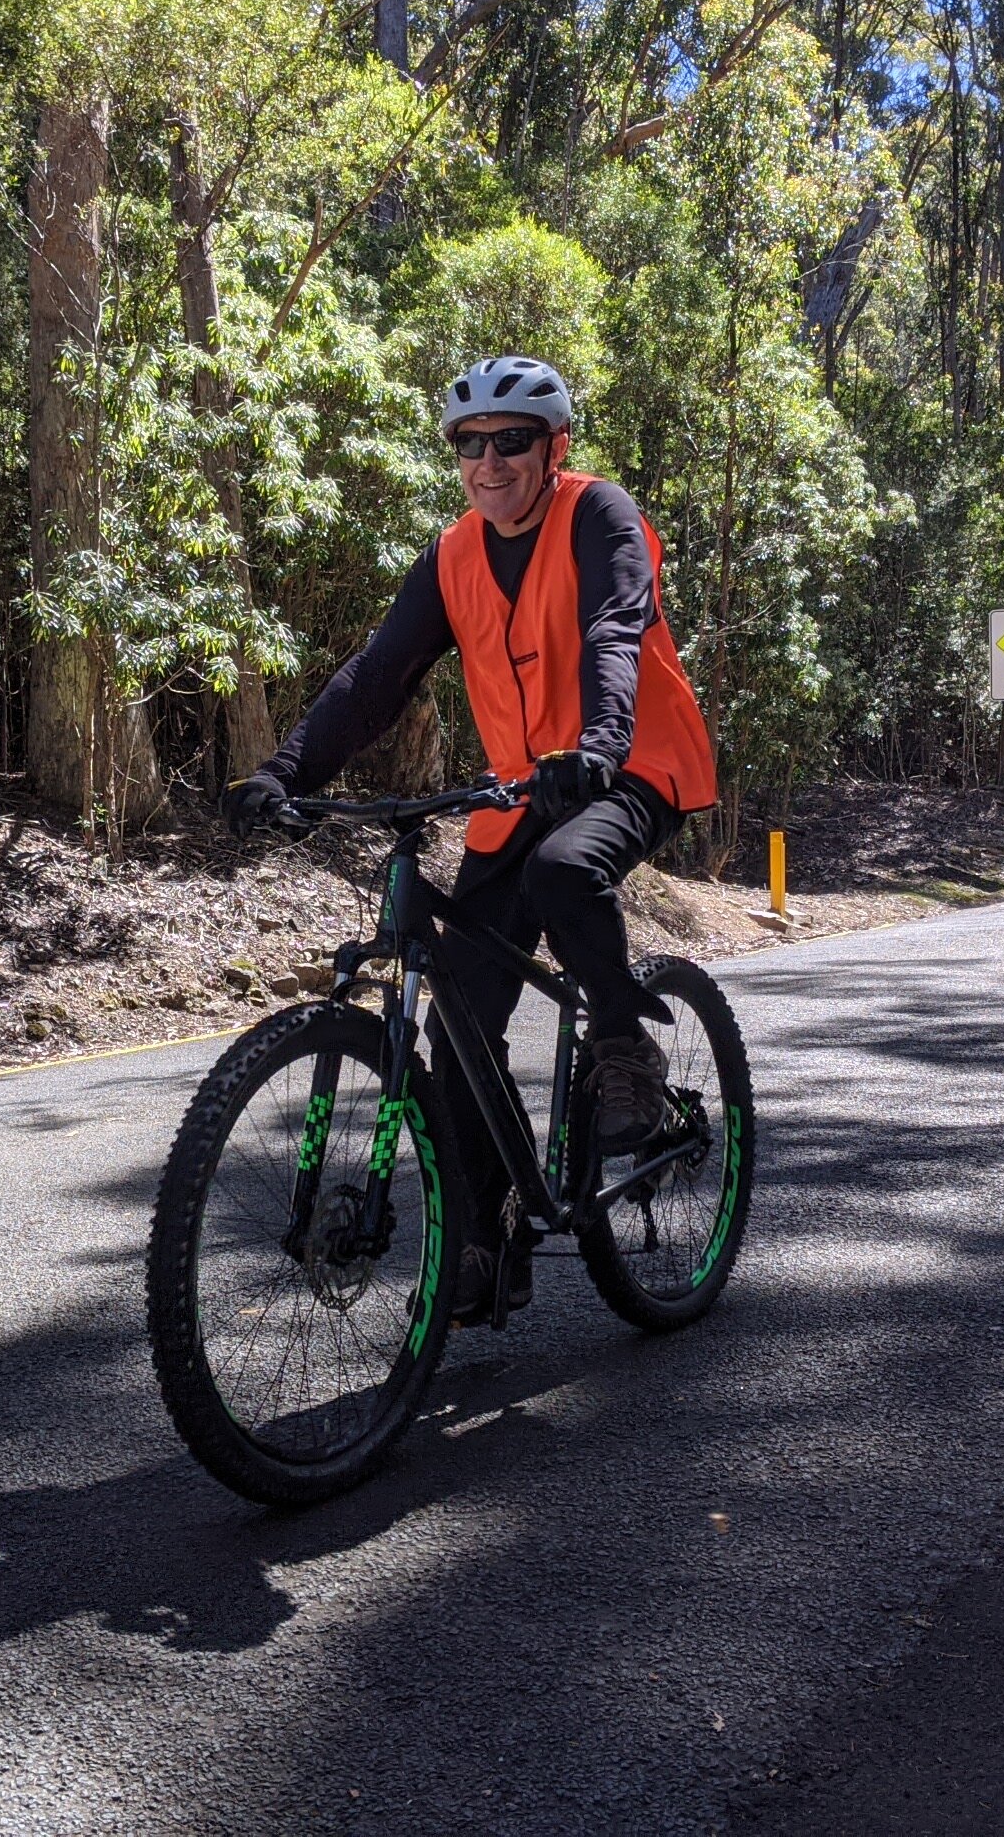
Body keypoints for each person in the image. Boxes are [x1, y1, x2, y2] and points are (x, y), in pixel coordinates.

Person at [224, 355, 718, 1320]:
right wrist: (285, 773)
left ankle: (623, 1043)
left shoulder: (599, 515)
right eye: (470, 444)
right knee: (462, 1028)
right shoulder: (452, 554)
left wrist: (600, 747)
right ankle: (486, 1249)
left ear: (554, 448)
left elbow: (617, 632)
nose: (489, 461)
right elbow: (375, 681)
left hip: (632, 765)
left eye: (512, 441)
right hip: (515, 794)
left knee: (567, 868)